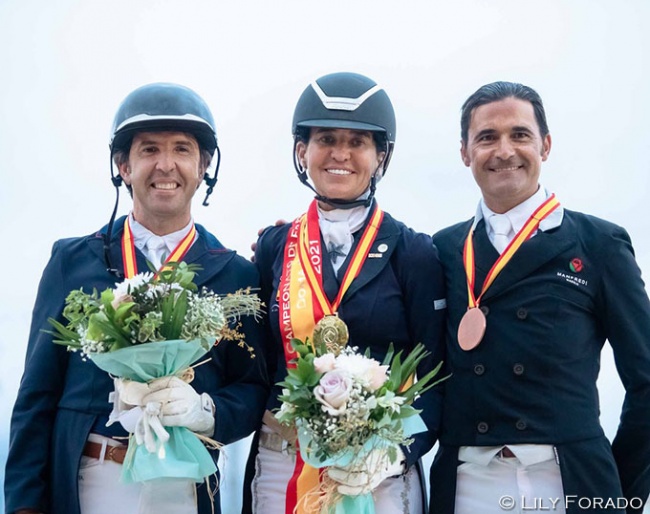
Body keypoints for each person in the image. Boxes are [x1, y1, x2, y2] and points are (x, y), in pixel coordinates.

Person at [4, 82, 269, 514]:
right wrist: (23, 505)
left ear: (204, 166)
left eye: (182, 149)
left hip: (186, 484)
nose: (166, 165)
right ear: (123, 166)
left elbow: (253, 387)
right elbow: (36, 394)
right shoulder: (72, 260)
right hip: (93, 479)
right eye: (149, 150)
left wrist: (207, 410)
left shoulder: (236, 274)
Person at [429, 81, 650, 514]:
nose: (504, 150)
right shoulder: (441, 250)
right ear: (464, 152)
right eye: (487, 137)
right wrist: (284, 244)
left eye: (520, 134)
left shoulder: (599, 244)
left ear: (545, 146)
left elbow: (646, 381)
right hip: (464, 484)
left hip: (568, 480)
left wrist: (618, 490)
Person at [243, 72, 447, 514]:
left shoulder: (414, 252)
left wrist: (395, 455)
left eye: (357, 142)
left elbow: (434, 375)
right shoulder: (275, 247)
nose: (340, 153)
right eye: (327, 139)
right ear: (303, 151)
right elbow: (256, 363)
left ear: (380, 156)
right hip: (284, 463)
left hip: (378, 470)